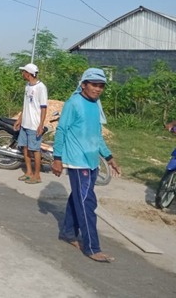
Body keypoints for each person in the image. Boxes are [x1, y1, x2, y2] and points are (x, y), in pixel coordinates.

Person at [51, 67, 122, 263]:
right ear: (84, 85)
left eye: (101, 86)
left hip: (91, 162)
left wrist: (109, 157)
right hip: (77, 161)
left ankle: (67, 232)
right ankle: (92, 247)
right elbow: (61, 131)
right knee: (87, 203)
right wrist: (57, 158)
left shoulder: (95, 105)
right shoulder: (73, 103)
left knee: (79, 198)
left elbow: (96, 136)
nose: (98, 89)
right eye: (94, 85)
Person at [13, 63, 48, 184]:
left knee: (35, 150)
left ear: (29, 74)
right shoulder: (27, 86)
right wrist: (19, 119)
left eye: (24, 72)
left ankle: (37, 175)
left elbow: (43, 107)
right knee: (25, 148)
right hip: (25, 124)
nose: (22, 74)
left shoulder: (41, 87)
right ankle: (28, 172)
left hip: (34, 125)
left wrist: (41, 125)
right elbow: (26, 105)